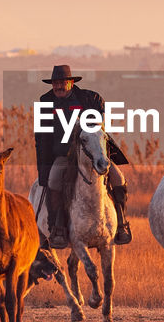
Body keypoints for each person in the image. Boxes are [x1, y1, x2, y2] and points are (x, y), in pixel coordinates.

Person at [34, 65, 131, 249]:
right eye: (55, 83)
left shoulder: (91, 98)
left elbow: (99, 124)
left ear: (71, 82)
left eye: (62, 82)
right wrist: (43, 169)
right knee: (53, 181)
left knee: (118, 178)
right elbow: (41, 138)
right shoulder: (45, 102)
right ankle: (58, 228)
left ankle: (121, 224)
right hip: (62, 155)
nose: (58, 86)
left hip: (92, 153)